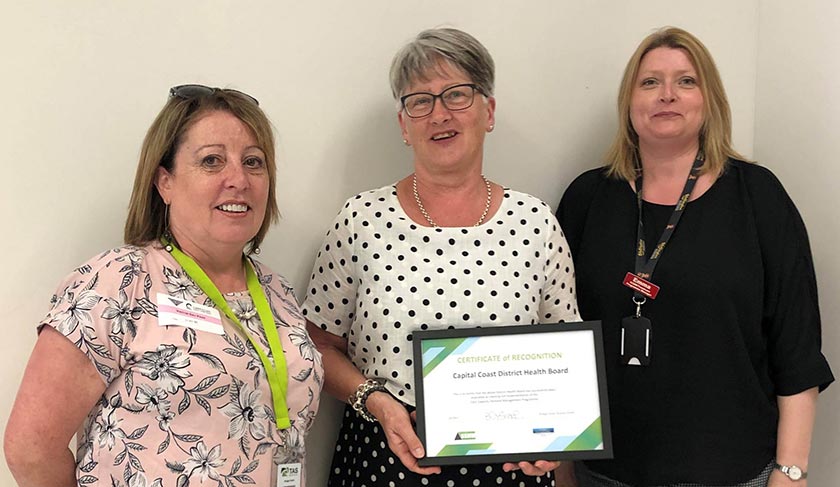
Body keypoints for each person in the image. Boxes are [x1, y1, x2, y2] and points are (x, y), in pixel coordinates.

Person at [4, 85, 323, 487]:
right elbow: (31, 447)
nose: (238, 179)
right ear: (164, 182)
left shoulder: (277, 291)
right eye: (212, 161)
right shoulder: (117, 281)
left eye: (254, 162)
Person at [302, 27, 581, 486]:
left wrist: (558, 439)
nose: (439, 114)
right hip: (384, 461)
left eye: (457, 95)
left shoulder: (536, 221)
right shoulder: (361, 219)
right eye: (420, 101)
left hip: (511, 470)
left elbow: (566, 353)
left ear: (488, 112)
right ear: (403, 126)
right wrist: (374, 399)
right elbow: (318, 345)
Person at [556, 27, 833, 486]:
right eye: (649, 82)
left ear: (710, 101)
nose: (667, 95)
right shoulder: (587, 198)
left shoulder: (758, 196)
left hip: (732, 470)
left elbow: (796, 343)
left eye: (686, 81)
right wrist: (561, 466)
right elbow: (560, 335)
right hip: (606, 472)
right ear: (629, 102)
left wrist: (792, 470)